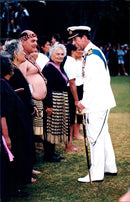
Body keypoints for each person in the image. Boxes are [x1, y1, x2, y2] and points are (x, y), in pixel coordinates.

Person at [67, 25, 117, 182]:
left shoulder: (92, 54)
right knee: (103, 135)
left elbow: (94, 82)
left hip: (97, 102)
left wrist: (84, 102)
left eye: (76, 39)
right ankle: (109, 167)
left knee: (95, 137)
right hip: (99, 101)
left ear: (84, 37)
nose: (74, 43)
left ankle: (96, 174)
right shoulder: (91, 52)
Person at [0, 55, 34, 196]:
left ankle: (15, 185)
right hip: (11, 130)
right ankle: (11, 188)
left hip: (17, 128)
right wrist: (7, 137)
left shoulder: (4, 83)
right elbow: (2, 114)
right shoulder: (1, 85)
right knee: (10, 160)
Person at [42, 43, 70, 162]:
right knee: (50, 127)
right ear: (52, 54)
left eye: (62, 54)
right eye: (57, 54)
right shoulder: (49, 67)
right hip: (53, 101)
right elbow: (46, 87)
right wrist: (48, 105)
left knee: (56, 127)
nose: (60, 56)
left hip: (60, 100)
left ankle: (52, 153)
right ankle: (48, 155)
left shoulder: (60, 67)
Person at [18, 30, 47, 142]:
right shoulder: (21, 59)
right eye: (32, 41)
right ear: (23, 42)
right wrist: (30, 104)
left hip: (36, 102)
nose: (36, 43)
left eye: (36, 41)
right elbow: (21, 84)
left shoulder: (29, 58)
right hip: (30, 103)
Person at [61, 43, 83, 152]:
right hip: (71, 92)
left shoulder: (73, 61)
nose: (80, 52)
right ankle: (68, 145)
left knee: (71, 118)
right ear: (72, 51)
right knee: (69, 119)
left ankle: (70, 143)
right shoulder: (70, 62)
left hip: (74, 91)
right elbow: (72, 82)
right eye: (78, 50)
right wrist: (76, 99)